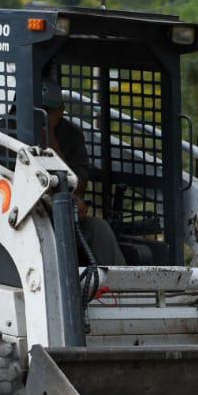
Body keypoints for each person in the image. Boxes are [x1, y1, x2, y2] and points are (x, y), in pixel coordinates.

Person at [40, 77, 126, 265]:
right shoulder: (10, 128)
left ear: (61, 110)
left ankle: (122, 291)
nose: (43, 116)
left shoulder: (71, 135)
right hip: (23, 216)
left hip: (61, 213)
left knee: (99, 229)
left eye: (50, 111)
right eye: (41, 110)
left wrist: (50, 139)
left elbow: (79, 183)